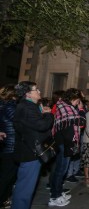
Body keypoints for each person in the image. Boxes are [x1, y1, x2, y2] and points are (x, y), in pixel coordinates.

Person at [11, 81, 54, 209]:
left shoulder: (28, 106)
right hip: (30, 152)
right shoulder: (27, 107)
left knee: (26, 185)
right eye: (36, 89)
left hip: (30, 150)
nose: (39, 91)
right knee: (25, 188)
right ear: (28, 94)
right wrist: (48, 114)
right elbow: (42, 125)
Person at [49, 88, 85, 207]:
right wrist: (80, 109)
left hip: (67, 141)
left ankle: (57, 191)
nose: (78, 103)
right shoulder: (64, 106)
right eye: (77, 101)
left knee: (61, 169)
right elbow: (80, 121)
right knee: (61, 170)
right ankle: (55, 196)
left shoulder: (65, 105)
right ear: (73, 98)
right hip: (64, 142)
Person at [0, 84, 18, 209]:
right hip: (10, 144)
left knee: (8, 175)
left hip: (7, 143)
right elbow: (19, 121)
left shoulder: (3, 105)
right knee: (7, 176)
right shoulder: (10, 106)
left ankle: (4, 199)